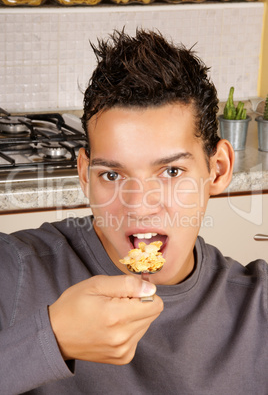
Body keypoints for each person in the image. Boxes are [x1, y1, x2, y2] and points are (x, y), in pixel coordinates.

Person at [0, 29, 267, 394]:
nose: (139, 206)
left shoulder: (259, 310)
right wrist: (48, 339)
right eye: (112, 174)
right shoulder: (14, 271)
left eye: (171, 172)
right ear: (84, 175)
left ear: (217, 170)